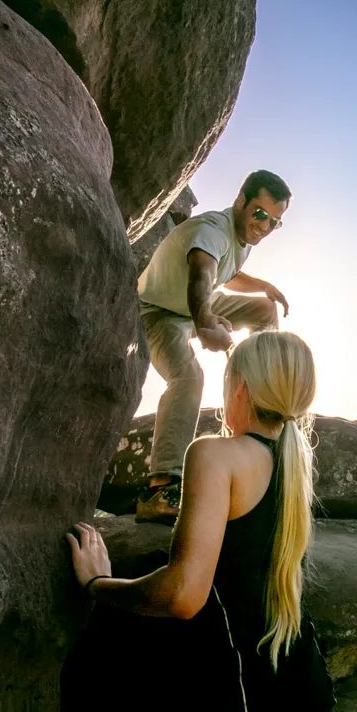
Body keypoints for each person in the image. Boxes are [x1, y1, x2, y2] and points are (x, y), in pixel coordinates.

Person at [67, 330, 334, 712]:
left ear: (240, 390)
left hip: (240, 706)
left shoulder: (215, 454)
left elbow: (183, 594)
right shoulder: (294, 464)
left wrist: (97, 584)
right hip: (305, 691)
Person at [134, 170, 294, 525]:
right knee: (188, 377)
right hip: (159, 313)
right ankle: (160, 488)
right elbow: (203, 274)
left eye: (274, 222)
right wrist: (206, 323)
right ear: (241, 201)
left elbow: (228, 273)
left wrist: (265, 286)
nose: (264, 226)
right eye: (259, 214)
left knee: (264, 310)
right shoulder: (212, 229)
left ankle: (259, 401)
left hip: (198, 305)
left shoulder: (242, 238)